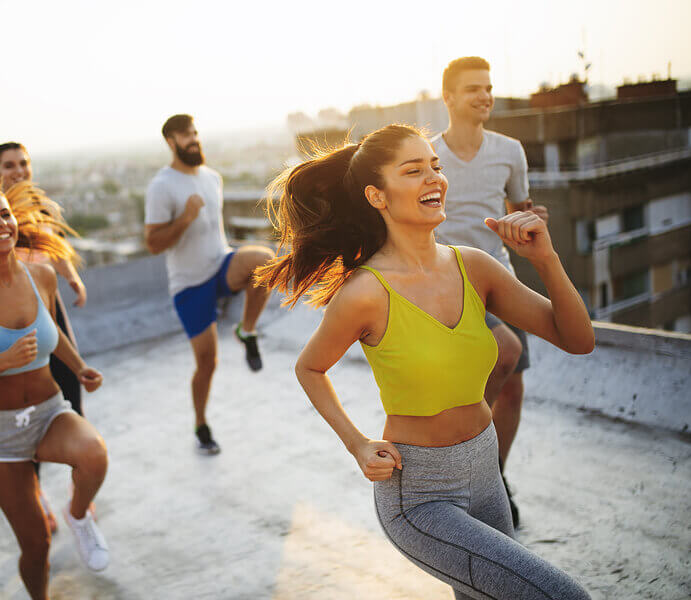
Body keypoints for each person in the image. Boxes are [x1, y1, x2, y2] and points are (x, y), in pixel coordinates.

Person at [255, 124, 593, 599]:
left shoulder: (473, 266)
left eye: (435, 166)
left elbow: (577, 339)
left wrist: (546, 259)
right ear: (377, 196)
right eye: (413, 170)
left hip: (484, 470)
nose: (434, 178)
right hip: (419, 495)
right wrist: (356, 444)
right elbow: (309, 368)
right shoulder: (364, 293)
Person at [0, 185, 110, 599]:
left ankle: (79, 517)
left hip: (49, 411)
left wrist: (80, 366)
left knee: (94, 454)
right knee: (36, 546)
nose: (1, 224)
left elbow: (53, 335)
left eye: (5, 215)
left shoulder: (43, 276)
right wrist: (2, 361)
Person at [432, 56, 549, 526]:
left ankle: (492, 480)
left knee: (514, 390)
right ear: (449, 97)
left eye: (488, 87)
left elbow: (521, 212)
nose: (484, 96)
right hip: (446, 281)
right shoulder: (427, 154)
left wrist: (528, 225)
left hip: (500, 279)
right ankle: (462, 462)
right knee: (505, 351)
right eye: (472, 89)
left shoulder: (509, 151)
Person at [0, 142, 89, 532]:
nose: (19, 171)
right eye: (9, 165)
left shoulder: (43, 207)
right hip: (13, 325)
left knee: (72, 398)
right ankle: (36, 499)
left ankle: (79, 495)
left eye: (24, 164)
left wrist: (71, 277)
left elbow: (56, 247)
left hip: (50, 316)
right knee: (27, 415)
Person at [144, 114, 275, 455]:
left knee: (264, 261)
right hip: (189, 285)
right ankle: (201, 424)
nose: (194, 140)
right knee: (207, 362)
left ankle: (247, 331)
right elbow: (153, 243)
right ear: (171, 142)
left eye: (195, 133)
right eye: (186, 136)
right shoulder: (161, 186)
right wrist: (184, 218)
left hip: (220, 264)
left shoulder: (211, 178)